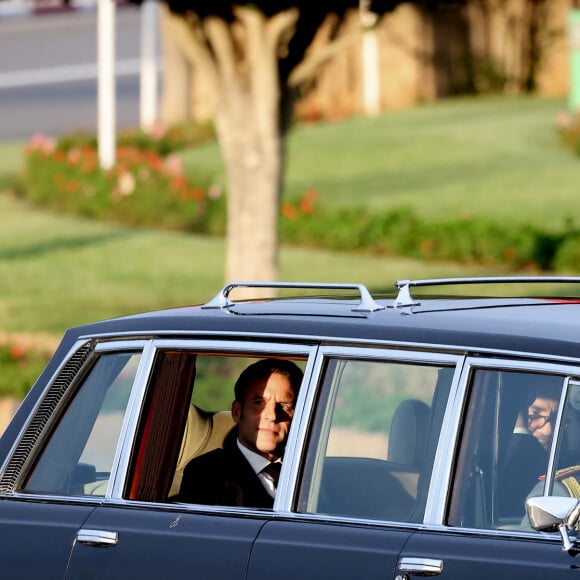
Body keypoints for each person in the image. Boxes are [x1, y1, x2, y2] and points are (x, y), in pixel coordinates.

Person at [176, 358, 303, 508]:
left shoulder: (311, 472)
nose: (273, 415)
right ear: (237, 412)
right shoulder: (208, 474)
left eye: (284, 405)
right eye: (259, 403)